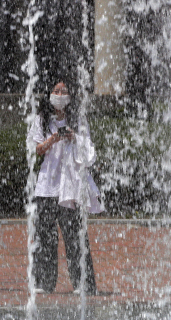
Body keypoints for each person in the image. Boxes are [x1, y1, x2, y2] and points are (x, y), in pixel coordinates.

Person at [27, 80, 104, 295]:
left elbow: (88, 148)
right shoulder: (41, 120)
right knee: (45, 235)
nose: (60, 94)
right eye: (56, 91)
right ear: (49, 94)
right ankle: (44, 281)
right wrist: (53, 139)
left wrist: (73, 136)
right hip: (47, 185)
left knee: (75, 235)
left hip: (69, 186)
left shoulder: (77, 119)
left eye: (64, 91)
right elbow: (38, 149)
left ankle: (84, 284)